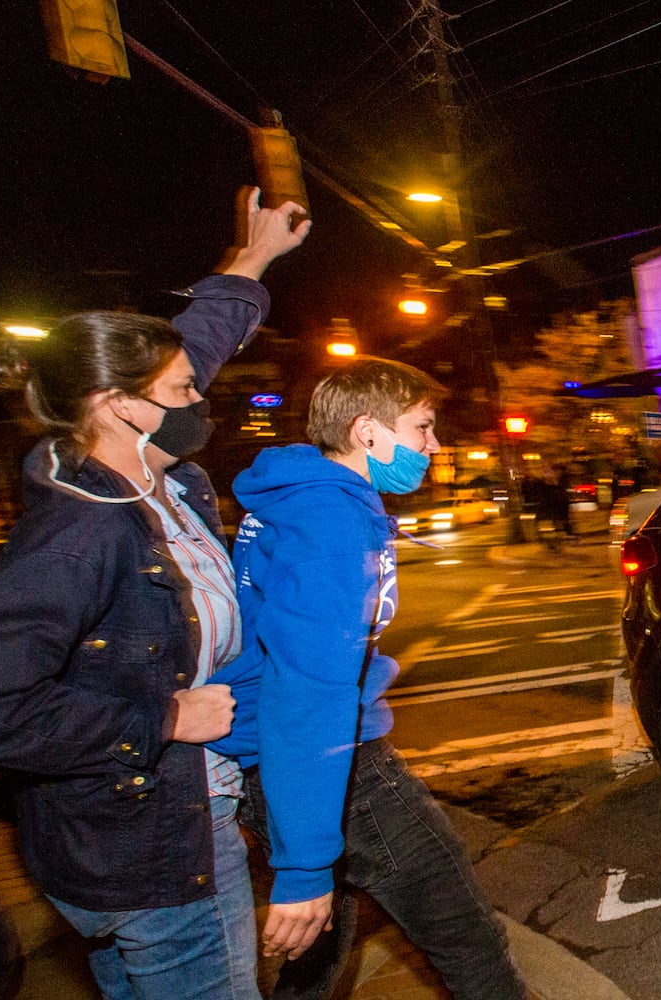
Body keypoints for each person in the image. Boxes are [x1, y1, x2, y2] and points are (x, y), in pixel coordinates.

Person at [0, 190, 310, 1000]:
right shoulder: (83, 530)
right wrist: (163, 720)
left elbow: (197, 344)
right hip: (148, 844)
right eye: (183, 390)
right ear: (116, 405)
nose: (200, 396)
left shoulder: (151, 471)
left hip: (136, 832)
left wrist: (253, 258)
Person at [210, 358, 531, 1000]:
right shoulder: (332, 524)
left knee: (318, 954)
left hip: (280, 761)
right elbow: (310, 690)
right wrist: (303, 866)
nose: (434, 446)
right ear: (367, 433)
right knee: (468, 941)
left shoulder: (308, 498)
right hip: (339, 764)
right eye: (422, 428)